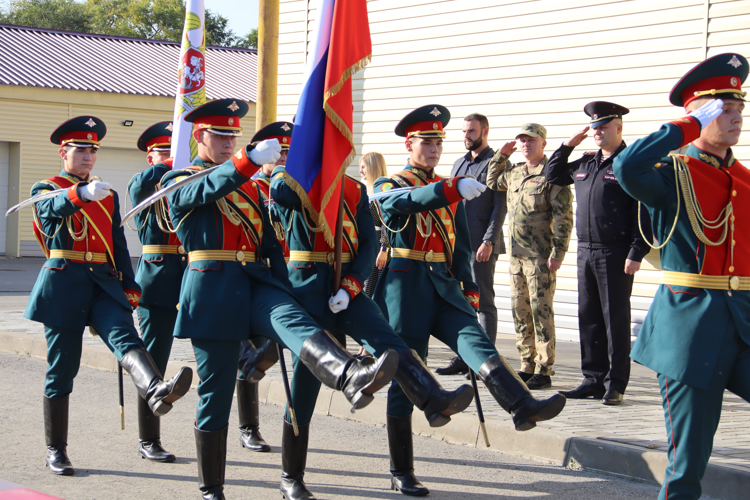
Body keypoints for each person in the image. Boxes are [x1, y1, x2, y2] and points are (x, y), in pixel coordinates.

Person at [159, 99, 399, 500]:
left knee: (297, 322)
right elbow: (193, 195)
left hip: (257, 281)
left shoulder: (252, 185)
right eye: (220, 136)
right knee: (215, 394)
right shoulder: (180, 178)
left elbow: (269, 243)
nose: (226, 142)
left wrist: (283, 284)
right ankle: (212, 488)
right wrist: (244, 160)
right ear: (199, 136)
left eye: (232, 136)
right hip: (212, 287)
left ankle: (349, 375)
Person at [373, 105, 567, 496]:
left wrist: (470, 288)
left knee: (475, 340)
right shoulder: (389, 184)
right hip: (405, 288)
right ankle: (401, 469)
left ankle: (521, 405)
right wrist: (449, 189)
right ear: (409, 144)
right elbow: (399, 205)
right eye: (426, 142)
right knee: (408, 374)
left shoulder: (450, 187)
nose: (433, 150)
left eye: (438, 143)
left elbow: (460, 244)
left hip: (444, 286)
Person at [271, 151, 474, 500]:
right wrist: (301, 169)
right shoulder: (287, 181)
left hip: (346, 290)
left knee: (392, 343)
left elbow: (368, 243)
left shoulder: (352, 189)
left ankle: (431, 401)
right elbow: (283, 194)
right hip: (306, 290)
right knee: (304, 387)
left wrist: (352, 284)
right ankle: (292, 476)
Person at [613, 53, 750, 500]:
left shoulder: (745, 179)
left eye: (739, 108)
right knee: (689, 460)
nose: (735, 117)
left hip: (744, 321)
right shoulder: (671, 174)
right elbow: (625, 167)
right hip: (690, 329)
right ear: (700, 112)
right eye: (723, 109)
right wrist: (686, 126)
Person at [24, 116, 192, 476]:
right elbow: (47, 212)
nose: (87, 157)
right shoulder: (47, 187)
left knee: (125, 337)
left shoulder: (107, 194)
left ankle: (155, 388)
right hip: (63, 282)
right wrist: (76, 195)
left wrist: (129, 286)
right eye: (80, 149)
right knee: (62, 369)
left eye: (92, 150)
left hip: (102, 281)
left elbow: (117, 243)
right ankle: (56, 450)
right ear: (63, 153)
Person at [545, 102, 652, 405]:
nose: (597, 132)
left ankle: (615, 383)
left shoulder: (630, 164)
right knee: (588, 316)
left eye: (604, 126)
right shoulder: (586, 162)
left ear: (619, 128)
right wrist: (568, 145)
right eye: (594, 127)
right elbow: (553, 174)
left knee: (614, 319)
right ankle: (592, 379)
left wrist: (637, 252)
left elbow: (644, 212)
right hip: (586, 251)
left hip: (616, 252)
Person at [486, 123, 574, 390]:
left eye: (531, 140)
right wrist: (500, 155)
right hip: (517, 257)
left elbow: (563, 218)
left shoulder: (552, 174)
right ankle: (526, 363)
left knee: (541, 310)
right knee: (520, 310)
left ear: (543, 143)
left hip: (540, 257)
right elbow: (492, 181)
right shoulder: (514, 173)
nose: (526, 144)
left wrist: (559, 253)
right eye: (522, 140)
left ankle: (544, 368)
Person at [437, 113, 507, 377]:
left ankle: (485, 362)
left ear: (484, 131)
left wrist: (489, 240)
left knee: (484, 302)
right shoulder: (458, 163)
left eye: (472, 132)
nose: (466, 136)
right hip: (456, 246)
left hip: (481, 245)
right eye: (464, 131)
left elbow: (500, 207)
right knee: (460, 302)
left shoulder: (496, 163)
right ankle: (463, 356)